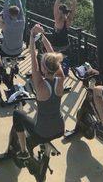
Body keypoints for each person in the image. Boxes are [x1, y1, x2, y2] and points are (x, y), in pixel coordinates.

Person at [12, 24, 65, 160]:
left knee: (17, 114)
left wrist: (31, 35)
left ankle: (23, 151)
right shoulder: (61, 79)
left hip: (43, 132)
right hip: (60, 129)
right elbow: (53, 57)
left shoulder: (40, 84)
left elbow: (32, 55)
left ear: (44, 69)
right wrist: (42, 36)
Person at [0, 0, 25, 73]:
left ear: (9, 14)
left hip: (7, 51)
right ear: (18, 13)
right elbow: (20, 8)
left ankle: (0, 66)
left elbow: (5, 9)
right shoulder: (22, 21)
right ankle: (14, 64)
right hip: (19, 51)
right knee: (16, 44)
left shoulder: (7, 22)